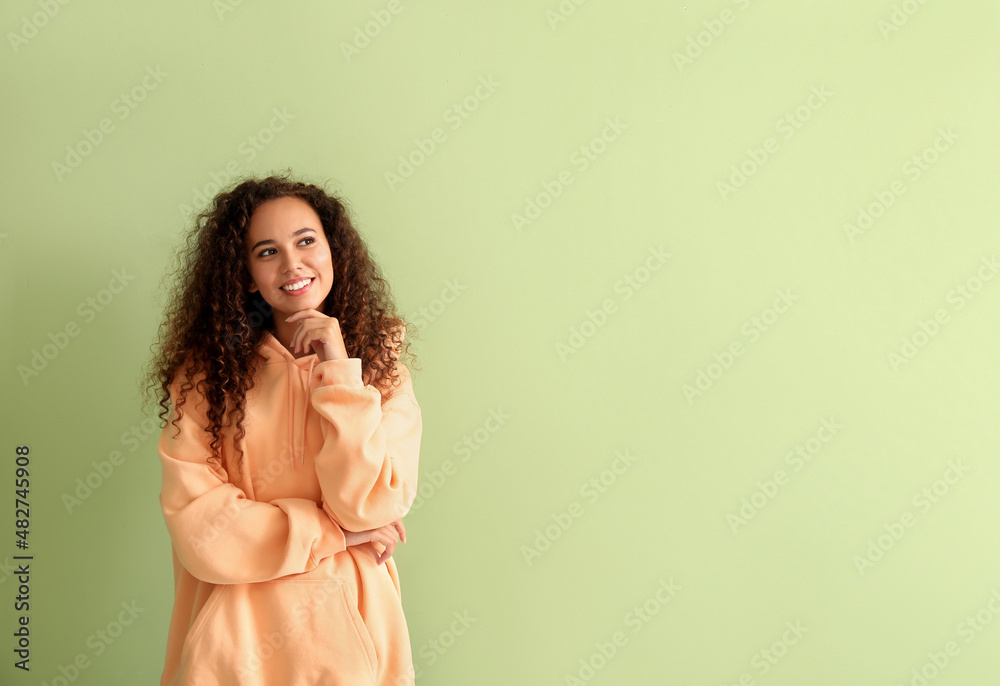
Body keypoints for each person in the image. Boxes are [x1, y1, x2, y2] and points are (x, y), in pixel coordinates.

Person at [141, 172, 422, 685]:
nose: (292, 264)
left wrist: (339, 372)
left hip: (354, 646)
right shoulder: (207, 376)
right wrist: (337, 533)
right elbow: (201, 528)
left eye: (306, 241)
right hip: (231, 651)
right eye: (267, 251)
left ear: (333, 250)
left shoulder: (380, 366)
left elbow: (373, 507)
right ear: (246, 273)